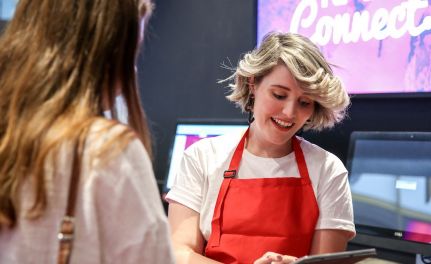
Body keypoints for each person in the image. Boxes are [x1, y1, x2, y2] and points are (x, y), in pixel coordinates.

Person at [0, 0, 174, 263]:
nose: (132, 70)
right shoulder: (108, 150)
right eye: (130, 55)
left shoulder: (10, 136)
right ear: (106, 53)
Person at [167, 32, 355, 264]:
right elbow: (178, 254)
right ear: (253, 84)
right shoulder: (202, 157)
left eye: (304, 102)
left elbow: (327, 262)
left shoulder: (328, 170)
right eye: (279, 95)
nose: (289, 113)